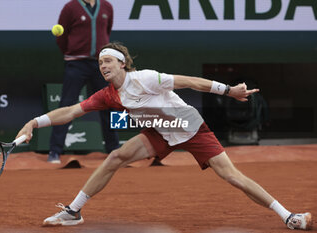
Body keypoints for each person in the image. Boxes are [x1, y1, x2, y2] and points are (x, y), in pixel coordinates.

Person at [16, 42, 313, 230]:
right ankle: (73, 212)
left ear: (122, 63)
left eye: (108, 61)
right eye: (100, 63)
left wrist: (229, 90)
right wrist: (34, 122)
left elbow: (190, 82)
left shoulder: (145, 78)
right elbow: (70, 111)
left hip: (189, 126)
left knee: (232, 177)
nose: (103, 66)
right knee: (116, 156)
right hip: (159, 129)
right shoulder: (107, 94)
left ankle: (288, 216)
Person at [48, 0, 119, 163]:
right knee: (66, 105)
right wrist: (72, 53)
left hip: (101, 64)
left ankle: (115, 149)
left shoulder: (107, 7)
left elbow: (107, 31)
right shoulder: (70, 7)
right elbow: (61, 37)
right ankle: (55, 151)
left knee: (112, 103)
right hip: (76, 64)